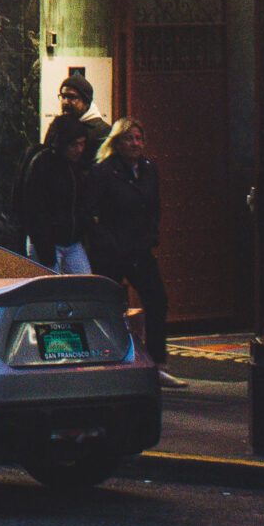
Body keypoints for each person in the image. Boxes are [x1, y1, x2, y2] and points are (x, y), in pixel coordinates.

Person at [89, 118, 178, 387]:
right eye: (129, 139)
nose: (135, 144)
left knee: (157, 299)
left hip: (139, 248)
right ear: (117, 142)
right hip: (113, 250)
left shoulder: (149, 169)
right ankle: (110, 359)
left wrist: (151, 235)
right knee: (111, 306)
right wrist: (107, 243)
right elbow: (92, 212)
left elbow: (153, 206)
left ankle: (157, 362)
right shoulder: (104, 172)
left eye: (139, 138)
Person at [20, 115, 94, 274]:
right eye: (74, 145)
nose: (79, 150)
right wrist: (44, 246)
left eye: (82, 144)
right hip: (47, 241)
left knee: (83, 286)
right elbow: (35, 208)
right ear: (62, 143)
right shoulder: (42, 164)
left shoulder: (75, 167)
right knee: (52, 292)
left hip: (70, 241)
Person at [57, 73, 112, 157]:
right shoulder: (58, 127)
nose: (65, 102)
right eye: (63, 97)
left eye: (71, 97)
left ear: (86, 102)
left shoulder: (103, 132)